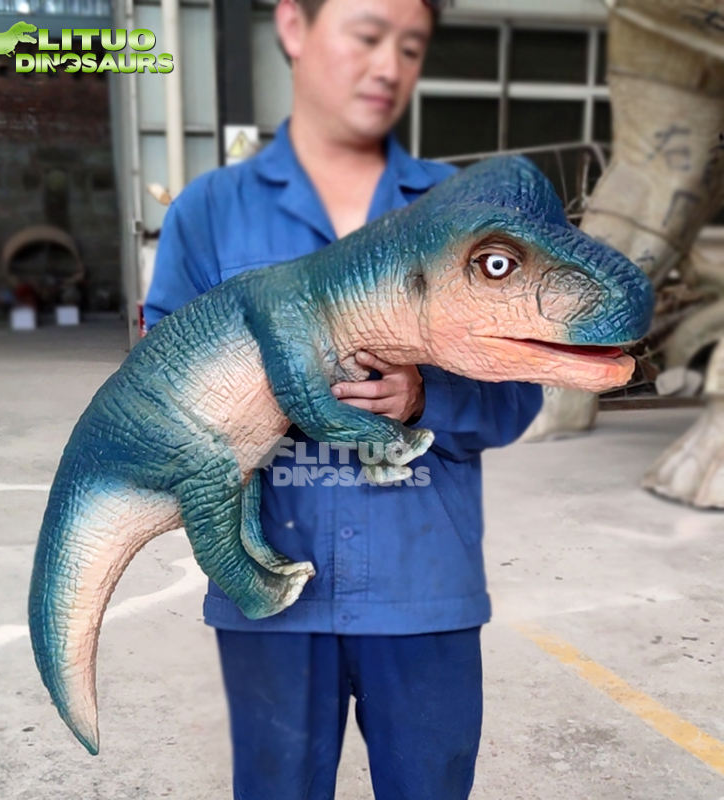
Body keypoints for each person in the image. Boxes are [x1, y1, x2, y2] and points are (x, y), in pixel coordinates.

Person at [144, 0, 543, 797]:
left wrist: (425, 397)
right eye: (366, 35)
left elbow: (519, 395)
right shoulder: (211, 214)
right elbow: (159, 397)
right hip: (271, 599)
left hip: (421, 589)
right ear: (294, 27)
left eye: (410, 46)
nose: (389, 66)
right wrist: (264, 390)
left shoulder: (464, 214)